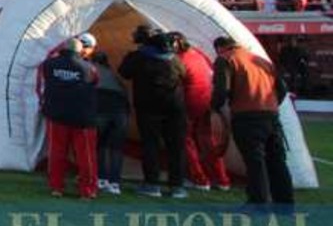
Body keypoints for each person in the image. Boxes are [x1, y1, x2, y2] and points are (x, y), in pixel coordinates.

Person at [211, 36, 294, 209]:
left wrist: (214, 108)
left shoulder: (225, 59)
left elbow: (221, 91)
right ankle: (285, 203)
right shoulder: (261, 60)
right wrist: (271, 104)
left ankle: (258, 201)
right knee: (277, 160)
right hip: (271, 115)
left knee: (255, 161)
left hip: (246, 116)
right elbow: (282, 88)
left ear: (220, 48)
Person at [119, 24, 188, 198]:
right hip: (175, 107)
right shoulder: (175, 60)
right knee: (176, 146)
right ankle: (177, 185)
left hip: (148, 107)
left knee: (151, 145)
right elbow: (184, 74)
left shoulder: (138, 57)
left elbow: (124, 72)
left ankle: (152, 184)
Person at [39, 34, 99, 199]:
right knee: (86, 156)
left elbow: (45, 77)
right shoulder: (89, 68)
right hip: (83, 117)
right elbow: (95, 81)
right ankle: (87, 190)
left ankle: (56, 187)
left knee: (57, 153)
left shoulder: (49, 64)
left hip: (57, 115)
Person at [170, 32, 230, 191]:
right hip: (206, 102)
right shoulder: (198, 54)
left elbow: (173, 82)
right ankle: (222, 179)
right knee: (208, 141)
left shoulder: (179, 60)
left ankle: (200, 179)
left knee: (186, 141)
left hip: (190, 104)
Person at [90, 50, 129, 195]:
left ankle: (101, 178)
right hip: (120, 112)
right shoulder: (114, 76)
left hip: (102, 110)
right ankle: (115, 183)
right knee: (116, 149)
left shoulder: (91, 71)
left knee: (100, 145)